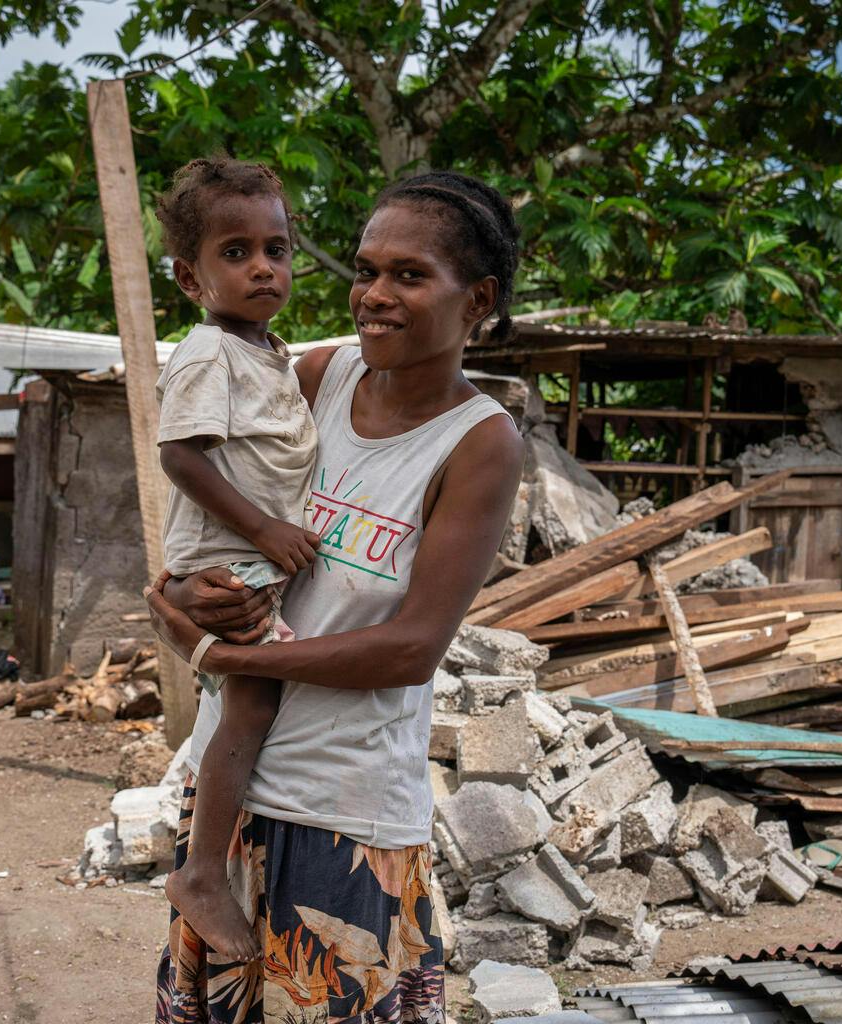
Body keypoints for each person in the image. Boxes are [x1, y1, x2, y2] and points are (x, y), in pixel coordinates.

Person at [147, 171, 526, 1023]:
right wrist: (178, 595)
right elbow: (197, 493)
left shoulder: (478, 445)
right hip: (229, 797)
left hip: (345, 817)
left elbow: (411, 648)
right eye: (365, 270)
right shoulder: (313, 376)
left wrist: (228, 654)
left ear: (479, 299)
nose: (374, 296)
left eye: (409, 275)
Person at [151, 158, 321, 962]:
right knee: (251, 705)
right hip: (228, 555)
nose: (263, 267)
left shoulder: (268, 352)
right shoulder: (205, 353)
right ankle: (201, 871)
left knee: (253, 706)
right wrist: (262, 533)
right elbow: (181, 459)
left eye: (276, 250)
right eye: (236, 252)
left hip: (249, 553)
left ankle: (219, 858)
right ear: (190, 276)